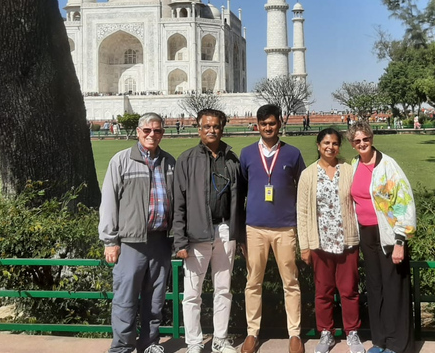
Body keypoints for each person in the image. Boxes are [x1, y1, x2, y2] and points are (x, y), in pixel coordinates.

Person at [99, 113, 176, 353]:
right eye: (147, 130)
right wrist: (110, 240)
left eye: (158, 131)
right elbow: (109, 202)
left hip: (160, 241)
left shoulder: (169, 162)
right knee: (126, 299)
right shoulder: (121, 161)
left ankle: (149, 343)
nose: (152, 135)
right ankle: (122, 346)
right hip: (131, 242)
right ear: (138, 132)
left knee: (155, 300)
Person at [173, 108, 245, 353]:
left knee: (223, 289)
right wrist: (180, 241)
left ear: (222, 128)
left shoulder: (232, 159)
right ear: (198, 129)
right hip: (197, 233)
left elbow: (240, 200)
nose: (211, 130)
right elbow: (179, 202)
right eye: (206, 126)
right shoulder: (187, 159)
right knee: (192, 293)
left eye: (216, 126)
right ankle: (194, 342)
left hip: (225, 229)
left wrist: (238, 234)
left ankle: (219, 340)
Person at [240, 104, 307, 353]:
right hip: (255, 227)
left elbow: (303, 189)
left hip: (285, 227)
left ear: (280, 124)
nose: (268, 128)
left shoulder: (292, 153)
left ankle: (294, 333)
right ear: (257, 126)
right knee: (253, 282)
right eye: (263, 124)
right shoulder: (247, 154)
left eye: (272, 123)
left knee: (290, 282)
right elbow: (243, 192)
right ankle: (251, 333)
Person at [349, 120, 416, 353]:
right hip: (366, 235)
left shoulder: (388, 166)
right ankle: (380, 341)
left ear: (372, 138)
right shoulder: (354, 164)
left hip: (388, 235)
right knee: (376, 288)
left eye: (365, 138)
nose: (362, 143)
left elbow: (404, 203)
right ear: (352, 144)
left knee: (393, 288)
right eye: (357, 140)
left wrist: (400, 241)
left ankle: (398, 345)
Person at [297, 128, 364, 353]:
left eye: (334, 143)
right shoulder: (308, 174)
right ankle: (326, 333)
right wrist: (305, 246)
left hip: (346, 240)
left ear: (339, 147)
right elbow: (302, 213)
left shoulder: (348, 170)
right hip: (321, 242)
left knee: (349, 290)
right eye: (326, 143)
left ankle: (352, 332)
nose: (330, 147)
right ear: (318, 145)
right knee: (323, 291)